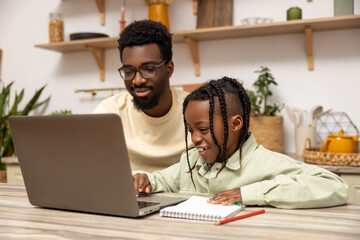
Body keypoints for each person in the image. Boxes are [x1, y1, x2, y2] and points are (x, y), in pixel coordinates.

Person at [133, 76, 348, 208]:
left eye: (204, 129)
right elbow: (164, 180)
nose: (195, 138)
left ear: (236, 123)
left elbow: (335, 186)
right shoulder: (190, 161)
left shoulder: (265, 162)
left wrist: (248, 193)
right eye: (191, 130)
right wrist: (146, 180)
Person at [92, 20, 190, 172]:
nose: (138, 80)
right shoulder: (110, 111)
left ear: (169, 69)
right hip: (128, 195)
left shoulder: (194, 109)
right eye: (129, 71)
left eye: (149, 69)